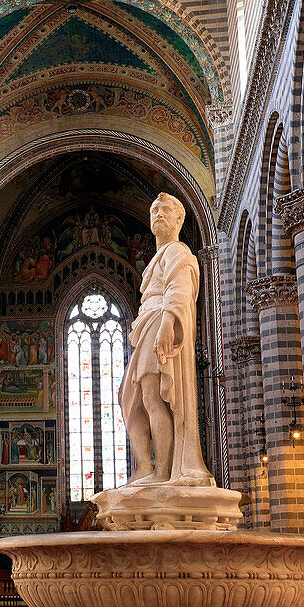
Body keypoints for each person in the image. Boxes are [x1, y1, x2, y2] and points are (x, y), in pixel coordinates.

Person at [118, 193, 213, 486]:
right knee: (129, 401)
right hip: (149, 322)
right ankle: (145, 467)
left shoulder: (178, 252)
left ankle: (162, 472)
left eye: (165, 210)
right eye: (154, 210)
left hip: (160, 321)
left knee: (153, 395)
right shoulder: (159, 257)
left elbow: (179, 290)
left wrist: (167, 324)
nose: (158, 214)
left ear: (179, 218)